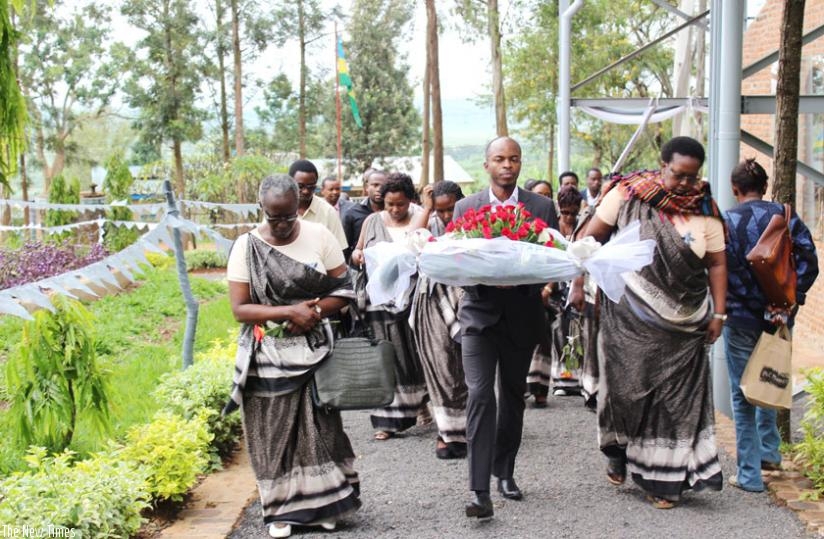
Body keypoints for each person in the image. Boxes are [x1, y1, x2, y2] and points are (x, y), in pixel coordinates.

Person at [570, 136, 726, 509]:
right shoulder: (629, 195)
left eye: (693, 177)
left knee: (675, 402)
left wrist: (719, 313)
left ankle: (663, 479)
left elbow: (718, 263)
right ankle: (618, 448)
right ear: (662, 166)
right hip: (630, 319)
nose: (686, 185)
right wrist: (577, 281)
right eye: (678, 176)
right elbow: (589, 241)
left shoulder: (705, 207)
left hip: (685, 325)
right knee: (626, 390)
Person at [224, 174, 360, 538]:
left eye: (289, 216)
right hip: (267, 354)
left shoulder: (318, 236)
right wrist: (287, 313)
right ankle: (280, 511)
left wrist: (313, 313)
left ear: (298, 207)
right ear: (262, 210)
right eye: (274, 218)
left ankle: (324, 505)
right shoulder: (246, 246)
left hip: (315, 349)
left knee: (321, 428)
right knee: (272, 433)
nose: (283, 225)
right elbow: (240, 309)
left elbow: (346, 289)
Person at [454, 136, 558, 519]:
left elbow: (552, 257)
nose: (507, 166)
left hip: (523, 314)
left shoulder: (542, 206)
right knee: (481, 394)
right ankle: (479, 491)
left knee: (513, 396)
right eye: (499, 159)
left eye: (514, 159)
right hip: (479, 315)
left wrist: (530, 281)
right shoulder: (467, 207)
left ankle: (505, 471)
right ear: (487, 165)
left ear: (520, 163)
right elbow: (455, 261)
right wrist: (484, 277)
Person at [723, 158, 819, 492]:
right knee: (770, 379)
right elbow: (809, 262)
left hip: (737, 318)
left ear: (735, 190)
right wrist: (791, 298)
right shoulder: (786, 217)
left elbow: (715, 271)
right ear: (765, 186)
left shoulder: (724, 221)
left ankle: (749, 474)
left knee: (741, 392)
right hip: (778, 316)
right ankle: (770, 453)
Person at [351, 173, 428, 441]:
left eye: (401, 205)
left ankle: (420, 404)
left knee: (414, 356)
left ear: (410, 201)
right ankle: (387, 420)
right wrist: (358, 255)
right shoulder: (372, 221)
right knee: (386, 358)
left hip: (412, 300)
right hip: (379, 302)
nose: (395, 210)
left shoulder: (419, 219)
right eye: (390, 205)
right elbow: (357, 251)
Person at [412, 181, 469, 459]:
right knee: (440, 366)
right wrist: (427, 208)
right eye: (441, 210)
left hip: (464, 298)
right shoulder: (430, 222)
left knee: (464, 367)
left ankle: (467, 430)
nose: (447, 216)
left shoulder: (471, 224)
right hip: (431, 300)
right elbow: (413, 240)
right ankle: (446, 432)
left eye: (451, 210)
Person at [288, 160, 347, 252]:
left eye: (311, 187)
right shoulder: (279, 209)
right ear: (290, 183)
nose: (306, 191)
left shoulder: (328, 212)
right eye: (300, 186)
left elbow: (339, 250)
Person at [343, 169, 387, 262]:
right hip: (361, 269)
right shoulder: (352, 213)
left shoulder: (395, 213)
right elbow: (345, 249)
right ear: (366, 187)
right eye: (375, 185)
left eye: (383, 186)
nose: (379, 189)